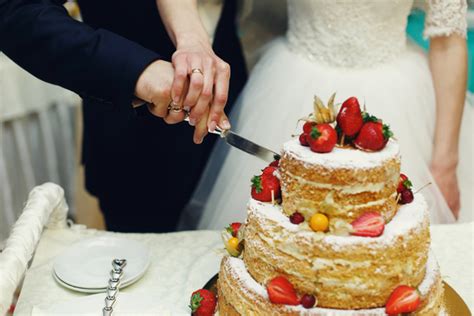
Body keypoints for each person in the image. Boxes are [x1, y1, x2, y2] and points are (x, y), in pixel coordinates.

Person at [192, 0, 471, 229]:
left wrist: (445, 163)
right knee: (283, 233)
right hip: (290, 89)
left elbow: (448, 41)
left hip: (401, 98)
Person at [0, 0, 247, 232]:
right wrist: (137, 71)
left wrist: (195, 42)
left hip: (238, 113)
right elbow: (17, 8)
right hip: (137, 148)